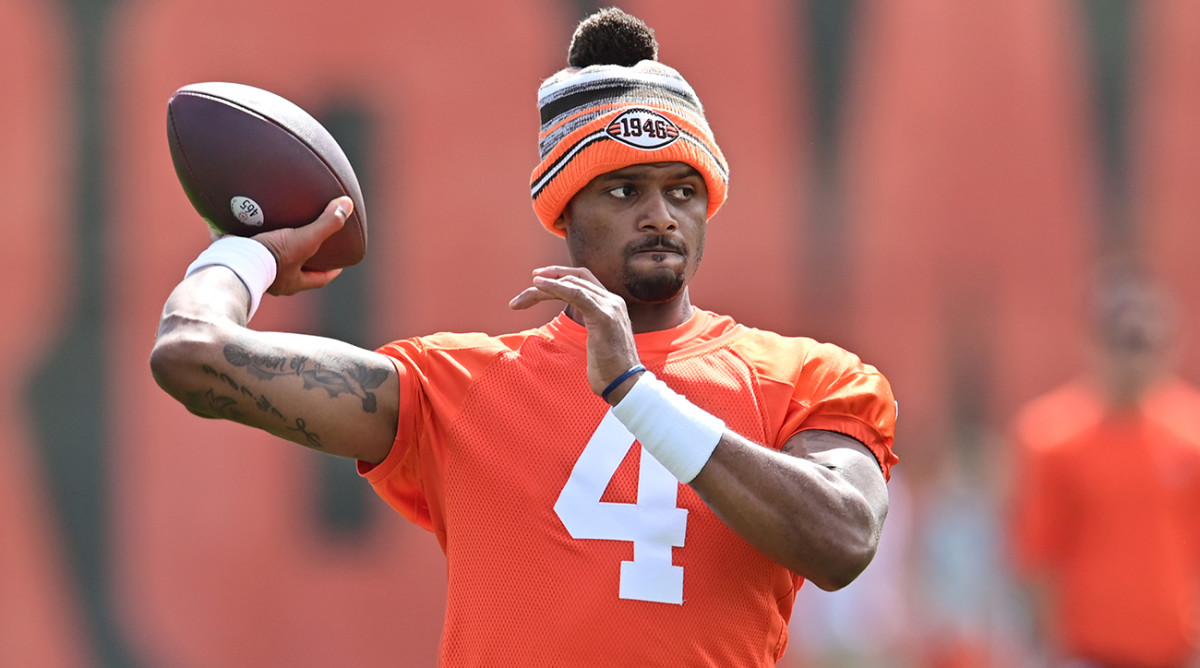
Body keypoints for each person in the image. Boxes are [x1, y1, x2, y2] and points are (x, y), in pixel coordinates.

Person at [150, 8, 898, 665]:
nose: (661, 215)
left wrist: (634, 394)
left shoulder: (809, 377)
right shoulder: (458, 389)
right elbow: (191, 355)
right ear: (564, 210)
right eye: (623, 189)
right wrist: (246, 251)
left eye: (683, 190)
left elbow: (843, 541)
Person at [1008, 265, 1200, 668]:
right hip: (1087, 652)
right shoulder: (1052, 436)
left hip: (1176, 651)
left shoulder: (1191, 434)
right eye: (1119, 343)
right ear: (1092, 344)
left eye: (1141, 344)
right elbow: (1039, 557)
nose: (1130, 361)